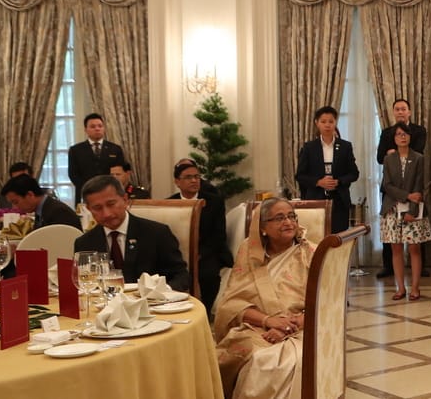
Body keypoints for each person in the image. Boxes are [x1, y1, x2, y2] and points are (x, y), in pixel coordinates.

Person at [214, 198, 313, 399]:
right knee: (249, 355)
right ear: (263, 228)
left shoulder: (311, 253)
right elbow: (231, 303)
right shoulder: (249, 252)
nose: (288, 222)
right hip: (256, 326)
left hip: (303, 326)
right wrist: (268, 321)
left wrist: (287, 327)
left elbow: (326, 303)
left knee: (277, 361)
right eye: (279, 218)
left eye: (291, 216)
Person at [73, 175, 191, 291]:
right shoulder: (84, 243)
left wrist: (161, 292)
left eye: (111, 204)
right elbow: (81, 284)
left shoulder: (157, 233)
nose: (107, 214)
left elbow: (181, 276)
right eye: (98, 208)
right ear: (89, 209)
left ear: (125, 200)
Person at [169, 160, 234, 313]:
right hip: (178, 253)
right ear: (177, 182)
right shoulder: (170, 203)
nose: (194, 180)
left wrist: (198, 254)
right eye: (188, 177)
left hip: (207, 251)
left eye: (197, 176)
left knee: (208, 274)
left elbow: (218, 235)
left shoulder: (214, 201)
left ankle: (204, 310)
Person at [374, 98, 429, 280]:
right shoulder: (386, 132)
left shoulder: (419, 131)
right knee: (392, 239)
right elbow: (381, 156)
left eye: (403, 109)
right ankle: (388, 266)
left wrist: (396, 152)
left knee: (415, 239)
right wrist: (392, 155)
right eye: (397, 109)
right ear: (393, 112)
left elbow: (417, 150)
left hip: (413, 186)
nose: (400, 112)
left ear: (409, 112)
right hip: (392, 192)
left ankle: (420, 268)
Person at [380, 123, 431, 302]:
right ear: (394, 138)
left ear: (410, 137)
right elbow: (387, 185)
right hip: (392, 208)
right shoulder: (389, 159)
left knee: (414, 249)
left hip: (413, 209)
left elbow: (420, 186)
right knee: (396, 249)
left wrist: (412, 208)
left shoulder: (418, 158)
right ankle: (400, 288)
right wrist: (407, 195)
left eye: (405, 134)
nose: (402, 137)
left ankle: (415, 287)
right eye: (398, 134)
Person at [295, 106, 359, 234]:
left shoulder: (345, 146)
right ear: (317, 123)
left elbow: (354, 173)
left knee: (338, 237)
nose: (327, 125)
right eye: (323, 121)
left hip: (339, 200)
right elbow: (300, 175)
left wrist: (338, 181)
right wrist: (318, 182)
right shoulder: (309, 147)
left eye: (331, 121)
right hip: (316, 200)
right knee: (316, 236)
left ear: (335, 122)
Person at [67, 113, 126, 202]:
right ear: (86, 130)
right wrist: (88, 189)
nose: (97, 129)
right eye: (93, 126)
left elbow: (119, 173)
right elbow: (73, 174)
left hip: (110, 193)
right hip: (85, 194)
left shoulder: (115, 149)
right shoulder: (75, 150)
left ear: (104, 128)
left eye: (100, 126)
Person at [0, 174, 82, 230]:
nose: (14, 207)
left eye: (16, 202)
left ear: (30, 194)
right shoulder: (43, 209)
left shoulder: (58, 212)